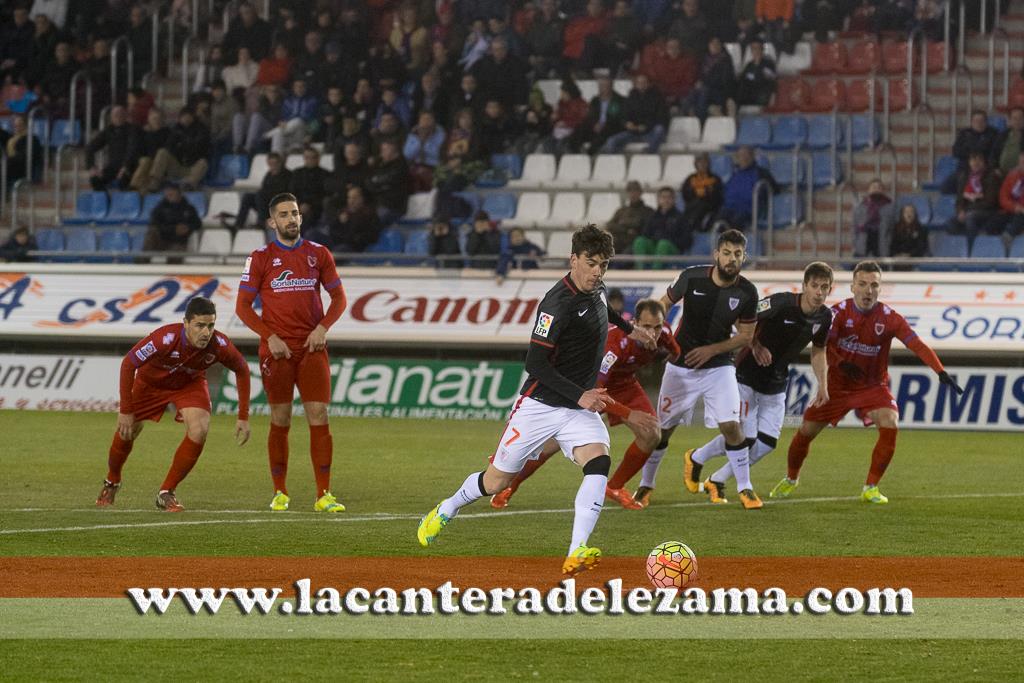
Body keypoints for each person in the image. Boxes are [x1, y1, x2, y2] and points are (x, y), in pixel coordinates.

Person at [416, 224, 658, 576]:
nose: (597, 272)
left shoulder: (598, 289)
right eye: (590, 263)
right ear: (573, 259)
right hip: (540, 405)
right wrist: (581, 394)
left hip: (576, 409)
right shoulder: (555, 304)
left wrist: (629, 328)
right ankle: (447, 509)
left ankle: (576, 550)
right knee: (495, 481)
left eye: (603, 265)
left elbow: (606, 312)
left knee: (598, 461)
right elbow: (535, 364)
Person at [772, 261, 964, 504]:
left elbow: (916, 343)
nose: (868, 290)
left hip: (872, 386)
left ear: (880, 289)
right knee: (806, 431)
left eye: (874, 285)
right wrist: (841, 363)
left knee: (890, 421)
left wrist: (940, 371)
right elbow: (822, 347)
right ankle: (791, 478)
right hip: (837, 387)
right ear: (852, 287)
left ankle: (871, 487)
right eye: (862, 284)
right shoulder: (836, 314)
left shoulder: (890, 318)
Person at [490, 298, 676, 510]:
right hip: (589, 386)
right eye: (646, 327)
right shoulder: (614, 345)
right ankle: (510, 484)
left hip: (625, 384)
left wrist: (676, 357)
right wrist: (629, 413)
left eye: (658, 327)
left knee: (651, 432)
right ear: (634, 323)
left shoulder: (664, 333)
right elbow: (595, 393)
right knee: (554, 443)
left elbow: (675, 349)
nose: (653, 333)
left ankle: (614, 487)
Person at [235, 193, 349, 513]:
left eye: (295, 213)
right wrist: (269, 336)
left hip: (312, 347)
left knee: (319, 416)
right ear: (272, 222)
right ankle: (280, 492)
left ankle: (323, 494)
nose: (290, 219)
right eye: (283, 214)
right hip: (278, 350)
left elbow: (339, 299)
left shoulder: (319, 254)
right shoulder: (259, 258)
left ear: (301, 217)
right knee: (280, 418)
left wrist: (323, 328)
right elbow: (242, 307)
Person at [687, 262, 834, 505]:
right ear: (804, 286)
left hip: (776, 381)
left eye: (824, 287)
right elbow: (741, 317)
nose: (819, 292)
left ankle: (708, 469)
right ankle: (725, 479)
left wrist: (823, 384)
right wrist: (754, 345)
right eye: (815, 286)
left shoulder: (825, 317)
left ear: (830, 289)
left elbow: (819, 351)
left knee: (766, 443)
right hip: (746, 374)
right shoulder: (781, 303)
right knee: (745, 437)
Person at [638, 229, 761, 509]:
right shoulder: (691, 276)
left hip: (719, 367)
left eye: (738, 254)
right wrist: (656, 330)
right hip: (680, 365)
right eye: (727, 253)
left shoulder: (747, 292)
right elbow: (663, 303)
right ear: (716, 254)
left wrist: (712, 350)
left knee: (732, 426)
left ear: (744, 257)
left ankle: (745, 488)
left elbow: (746, 336)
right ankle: (646, 486)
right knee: (662, 431)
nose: (732, 259)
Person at [95, 297, 251, 512]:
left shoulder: (220, 345)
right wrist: (125, 410)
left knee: (200, 429)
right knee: (126, 432)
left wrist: (243, 415)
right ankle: (112, 481)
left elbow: (242, 370)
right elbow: (129, 363)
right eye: (200, 325)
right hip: (150, 384)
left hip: (189, 385)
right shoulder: (164, 338)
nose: (206, 332)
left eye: (211, 325)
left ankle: (166, 492)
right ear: (186, 323)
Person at [600, 73, 667, 153]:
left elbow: (661, 118)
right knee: (612, 140)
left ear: (648, 84)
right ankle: (613, 162)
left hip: (650, 132)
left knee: (659, 129)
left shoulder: (657, 98)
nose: (641, 84)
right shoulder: (630, 98)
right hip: (633, 133)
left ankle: (649, 152)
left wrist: (646, 126)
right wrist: (627, 123)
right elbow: (624, 115)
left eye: (644, 82)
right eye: (639, 82)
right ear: (635, 84)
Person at [717, 145, 777, 230]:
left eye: (747, 155)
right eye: (741, 156)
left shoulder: (761, 173)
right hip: (730, 208)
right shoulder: (733, 174)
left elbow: (773, 188)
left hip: (748, 210)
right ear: (737, 158)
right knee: (719, 222)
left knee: (735, 223)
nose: (744, 158)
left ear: (752, 157)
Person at [947, 152, 1000, 242]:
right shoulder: (965, 177)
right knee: (950, 223)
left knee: (970, 217)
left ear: (984, 162)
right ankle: (962, 246)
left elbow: (990, 201)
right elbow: (959, 199)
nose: (975, 163)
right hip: (968, 210)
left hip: (987, 211)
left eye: (979, 160)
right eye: (973, 160)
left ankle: (972, 247)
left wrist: (967, 210)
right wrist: (960, 211)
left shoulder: (991, 177)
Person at [633, 186, 691, 267]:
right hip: (655, 247)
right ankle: (639, 272)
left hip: (672, 249)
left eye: (669, 197)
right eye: (663, 197)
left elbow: (687, 240)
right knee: (639, 240)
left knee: (663, 244)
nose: (666, 200)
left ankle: (655, 274)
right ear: (658, 200)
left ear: (674, 200)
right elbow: (645, 234)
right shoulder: (653, 216)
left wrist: (669, 240)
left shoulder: (680, 217)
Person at [84, 105, 138, 191]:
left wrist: (125, 166)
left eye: (120, 114)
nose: (118, 117)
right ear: (111, 118)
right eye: (115, 115)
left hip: (128, 167)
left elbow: (132, 150)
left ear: (125, 116)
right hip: (112, 168)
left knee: (123, 181)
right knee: (95, 180)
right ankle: (106, 201)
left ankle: (123, 203)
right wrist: (92, 167)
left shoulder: (132, 129)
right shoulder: (109, 130)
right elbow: (90, 147)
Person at [143, 183, 201, 261]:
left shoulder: (189, 208)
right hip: (162, 238)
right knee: (152, 232)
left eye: (172, 192)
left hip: (179, 240)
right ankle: (141, 264)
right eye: (167, 192)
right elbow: (154, 224)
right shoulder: (160, 208)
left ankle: (173, 271)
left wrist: (188, 228)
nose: (169, 194)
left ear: (179, 193)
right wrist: (173, 229)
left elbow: (197, 223)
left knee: (177, 252)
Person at [945, 110, 998, 193]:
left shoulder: (993, 134)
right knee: (946, 186)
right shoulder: (964, 133)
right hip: (965, 168)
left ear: (986, 122)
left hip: (985, 169)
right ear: (971, 122)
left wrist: (973, 151)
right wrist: (973, 153)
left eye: (982, 121)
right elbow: (956, 151)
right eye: (976, 121)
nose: (979, 124)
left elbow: (994, 153)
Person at [328, 186, 382, 253]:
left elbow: (366, 238)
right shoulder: (343, 213)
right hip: (338, 243)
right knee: (314, 235)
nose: (351, 201)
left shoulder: (369, 215)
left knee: (339, 250)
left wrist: (348, 222)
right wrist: (339, 221)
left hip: (355, 248)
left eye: (355, 198)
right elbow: (332, 230)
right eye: (349, 198)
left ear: (362, 199)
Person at [606, 180, 654, 256]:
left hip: (635, 244)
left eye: (635, 191)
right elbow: (610, 225)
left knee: (623, 258)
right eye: (630, 191)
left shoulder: (648, 211)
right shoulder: (621, 210)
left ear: (640, 193)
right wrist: (626, 229)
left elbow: (643, 228)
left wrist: (623, 223)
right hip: (619, 242)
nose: (633, 194)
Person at [680, 152, 724, 233]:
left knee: (700, 204)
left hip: (709, 207)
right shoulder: (690, 179)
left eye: (705, 162)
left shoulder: (715, 179)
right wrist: (699, 193)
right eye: (700, 162)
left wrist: (704, 194)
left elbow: (718, 196)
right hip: (692, 207)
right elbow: (685, 194)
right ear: (696, 164)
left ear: (709, 163)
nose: (702, 164)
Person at [852, 178, 896, 257]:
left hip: (882, 242)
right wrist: (855, 242)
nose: (876, 190)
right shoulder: (861, 206)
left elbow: (892, 227)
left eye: (879, 188)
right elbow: (855, 227)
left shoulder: (890, 206)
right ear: (869, 190)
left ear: (883, 191)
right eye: (873, 187)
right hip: (863, 242)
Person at [991, 149, 1024, 239]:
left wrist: (1021, 208)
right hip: (1011, 210)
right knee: (992, 225)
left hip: (1022, 213)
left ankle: (1009, 236)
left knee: (1019, 218)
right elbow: (1003, 197)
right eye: (1021, 162)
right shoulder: (1012, 176)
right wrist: (1014, 207)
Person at [735, 39, 776, 107]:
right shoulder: (749, 65)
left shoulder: (768, 64)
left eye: (758, 48)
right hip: (750, 93)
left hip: (762, 93)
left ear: (762, 50)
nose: (756, 51)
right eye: (754, 48)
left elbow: (771, 80)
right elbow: (743, 78)